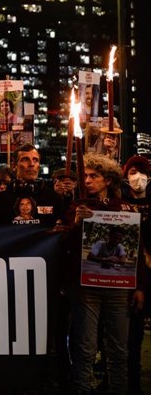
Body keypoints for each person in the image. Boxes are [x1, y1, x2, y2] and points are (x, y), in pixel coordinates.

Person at [65, 153, 144, 394]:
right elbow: (66, 247)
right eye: (85, 176)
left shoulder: (125, 209)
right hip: (88, 289)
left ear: (107, 180)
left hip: (119, 290)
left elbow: (135, 252)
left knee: (119, 349)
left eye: (94, 176)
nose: (87, 180)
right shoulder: (77, 206)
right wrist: (77, 223)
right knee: (85, 347)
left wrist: (139, 286)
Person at [120, 155, 151, 392]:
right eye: (132, 172)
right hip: (129, 276)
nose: (137, 178)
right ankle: (130, 380)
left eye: (141, 173)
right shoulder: (119, 203)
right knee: (131, 333)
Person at [0, 144, 64, 226]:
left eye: (35, 160)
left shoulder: (53, 198)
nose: (32, 164)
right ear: (14, 165)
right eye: (25, 159)